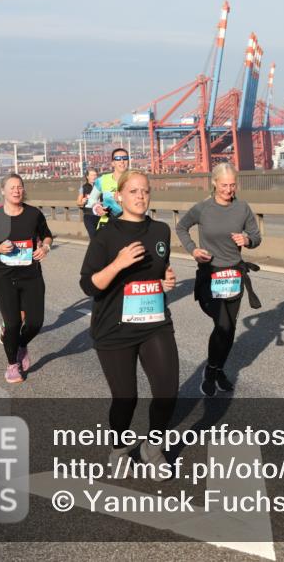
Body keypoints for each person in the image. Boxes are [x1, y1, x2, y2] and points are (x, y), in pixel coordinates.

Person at [79, 170, 177, 474]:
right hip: (114, 328)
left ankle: (152, 445)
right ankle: (120, 448)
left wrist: (166, 281)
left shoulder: (161, 230)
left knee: (167, 391)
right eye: (133, 191)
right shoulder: (106, 236)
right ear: (119, 196)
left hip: (154, 322)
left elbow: (160, 269)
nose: (140, 196)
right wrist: (118, 263)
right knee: (126, 398)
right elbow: (89, 285)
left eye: (145, 191)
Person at [176, 163, 262, 396]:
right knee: (223, 324)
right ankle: (212, 370)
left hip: (233, 274)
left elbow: (256, 237)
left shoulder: (243, 208)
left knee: (229, 328)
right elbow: (181, 227)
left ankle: (216, 369)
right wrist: (193, 250)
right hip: (209, 274)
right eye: (224, 185)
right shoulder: (203, 208)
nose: (228, 189)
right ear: (214, 183)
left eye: (232, 185)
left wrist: (246, 240)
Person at [0, 174, 54, 384]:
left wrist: (45, 246)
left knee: (35, 322)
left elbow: (47, 235)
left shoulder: (33, 214)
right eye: (12, 187)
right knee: (12, 323)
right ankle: (12, 365)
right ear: (3, 191)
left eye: (19, 187)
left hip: (31, 275)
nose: (16, 190)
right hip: (4, 276)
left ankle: (21, 345)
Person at [90, 148, 129, 230]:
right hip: (106, 224)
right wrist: (97, 208)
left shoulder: (135, 180)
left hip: (129, 224)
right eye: (118, 159)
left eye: (125, 158)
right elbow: (91, 200)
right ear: (112, 163)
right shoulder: (102, 180)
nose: (122, 161)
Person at [77, 168, 100, 239]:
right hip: (89, 215)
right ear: (87, 177)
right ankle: (94, 249)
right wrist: (82, 201)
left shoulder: (101, 186)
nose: (94, 177)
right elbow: (78, 202)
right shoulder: (84, 188)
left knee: (102, 237)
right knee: (94, 237)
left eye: (95, 175)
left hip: (101, 215)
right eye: (92, 175)